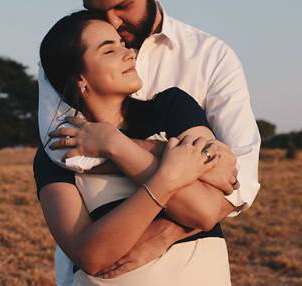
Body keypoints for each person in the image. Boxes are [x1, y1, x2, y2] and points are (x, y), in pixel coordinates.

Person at [36, 0, 260, 284]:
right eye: (109, 49)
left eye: (122, 6)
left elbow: (226, 185)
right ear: (79, 79)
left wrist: (115, 145)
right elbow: (91, 255)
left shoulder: (180, 94)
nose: (127, 52)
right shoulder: (59, 145)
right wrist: (171, 172)